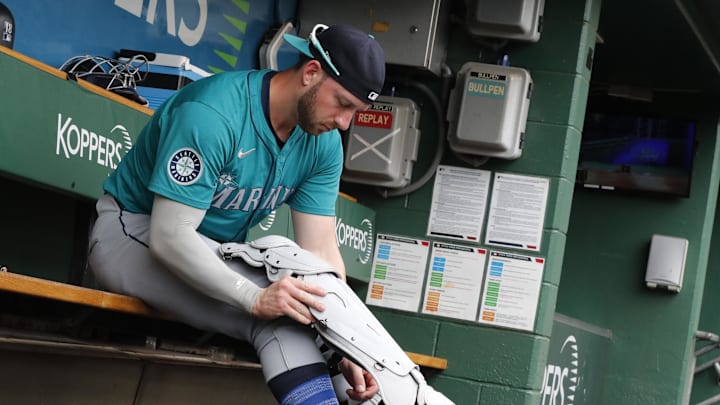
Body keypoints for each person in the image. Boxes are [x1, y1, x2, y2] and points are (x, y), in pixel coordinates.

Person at [88, 23, 385, 404]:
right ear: (311, 73)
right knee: (279, 319)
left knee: (332, 339)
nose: (345, 122)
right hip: (132, 235)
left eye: (355, 112)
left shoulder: (322, 143)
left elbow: (322, 254)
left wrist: (347, 343)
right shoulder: (214, 113)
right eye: (343, 103)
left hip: (213, 251)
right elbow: (170, 237)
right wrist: (251, 297)